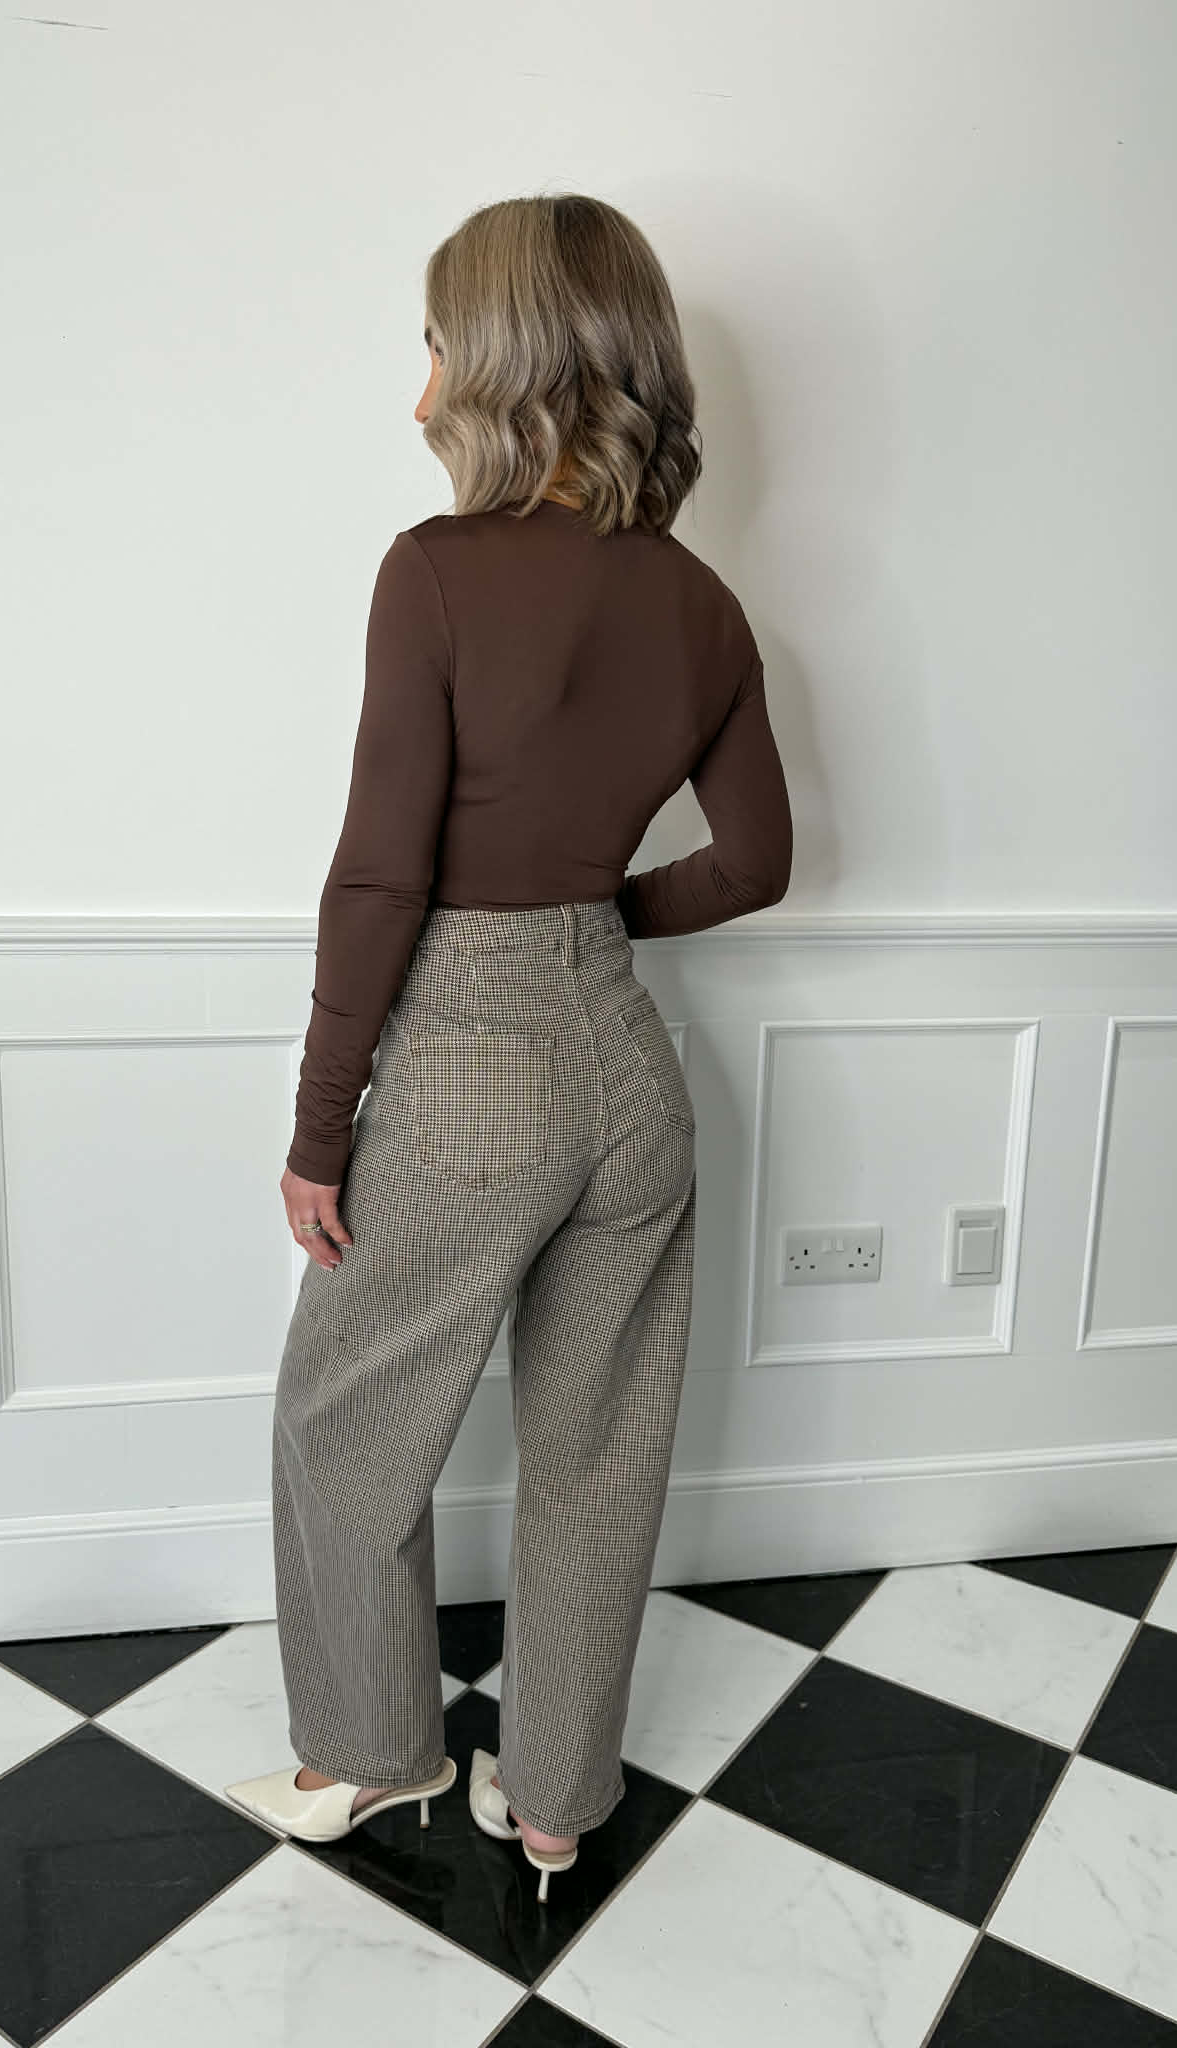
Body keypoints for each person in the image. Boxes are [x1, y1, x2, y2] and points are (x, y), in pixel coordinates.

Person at [225, 193, 792, 1902]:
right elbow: (755, 865)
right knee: (599, 1450)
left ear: (507, 364)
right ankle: (552, 1803)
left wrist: (320, 1127)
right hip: (632, 1073)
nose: (419, 394)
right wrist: (599, 917)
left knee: (343, 1424)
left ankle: (367, 1754)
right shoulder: (705, 605)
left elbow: (381, 876)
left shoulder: (437, 572)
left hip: (469, 1072)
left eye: (436, 350)